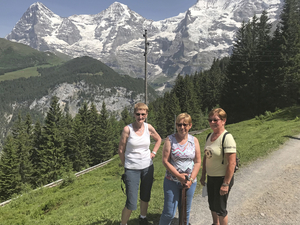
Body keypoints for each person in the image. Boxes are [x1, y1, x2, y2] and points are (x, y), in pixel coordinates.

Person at [118, 102, 162, 225]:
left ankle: (143, 218)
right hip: (131, 169)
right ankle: (123, 223)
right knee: (131, 202)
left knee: (145, 195)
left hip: (147, 167)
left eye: (143, 114)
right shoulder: (128, 129)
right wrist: (125, 164)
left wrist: (153, 152)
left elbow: (159, 139)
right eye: (138, 114)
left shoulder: (149, 128)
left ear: (146, 114)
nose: (140, 116)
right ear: (134, 114)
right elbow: (121, 149)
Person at [159, 113, 201, 225]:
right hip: (171, 180)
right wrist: (179, 176)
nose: (182, 127)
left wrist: (191, 180)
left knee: (185, 213)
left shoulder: (194, 140)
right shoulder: (170, 140)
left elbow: (197, 161)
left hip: (189, 182)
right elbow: (165, 161)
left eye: (185, 124)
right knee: (169, 213)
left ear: (190, 125)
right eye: (179, 124)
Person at [200, 108, 236, 225]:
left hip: (222, 178)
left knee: (220, 208)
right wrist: (203, 174)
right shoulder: (209, 136)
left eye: (216, 120)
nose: (212, 122)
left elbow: (232, 163)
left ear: (224, 120)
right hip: (211, 177)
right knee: (212, 205)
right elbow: (206, 156)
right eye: (210, 120)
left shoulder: (227, 138)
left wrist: (225, 183)